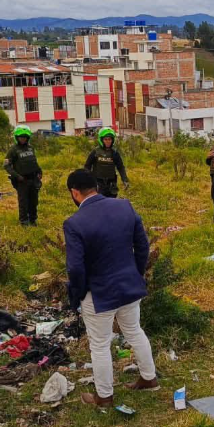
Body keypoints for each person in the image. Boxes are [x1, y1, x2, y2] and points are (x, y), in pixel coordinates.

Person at [63, 169, 158, 408]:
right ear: (96, 186)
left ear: (74, 193)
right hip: (129, 285)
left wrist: (79, 293)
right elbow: (142, 246)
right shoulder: (124, 206)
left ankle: (104, 396)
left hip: (98, 293)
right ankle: (149, 378)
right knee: (134, 331)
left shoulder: (74, 223)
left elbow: (75, 267)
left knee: (100, 345)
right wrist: (135, 273)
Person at [4, 125, 42, 226]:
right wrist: (17, 176)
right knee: (23, 202)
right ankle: (24, 222)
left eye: (25, 137)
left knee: (34, 201)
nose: (23, 139)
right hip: (22, 181)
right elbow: (6, 166)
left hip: (33, 179)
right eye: (21, 137)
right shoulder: (13, 150)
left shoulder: (31, 148)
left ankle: (33, 220)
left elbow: (34, 162)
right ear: (16, 137)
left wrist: (39, 171)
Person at [84, 127, 130, 198]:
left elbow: (120, 167)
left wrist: (125, 180)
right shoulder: (95, 152)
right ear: (101, 140)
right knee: (99, 202)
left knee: (111, 202)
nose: (108, 141)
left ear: (112, 140)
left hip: (111, 184)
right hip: (98, 183)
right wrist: (88, 180)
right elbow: (87, 166)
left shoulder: (115, 153)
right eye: (105, 139)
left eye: (109, 139)